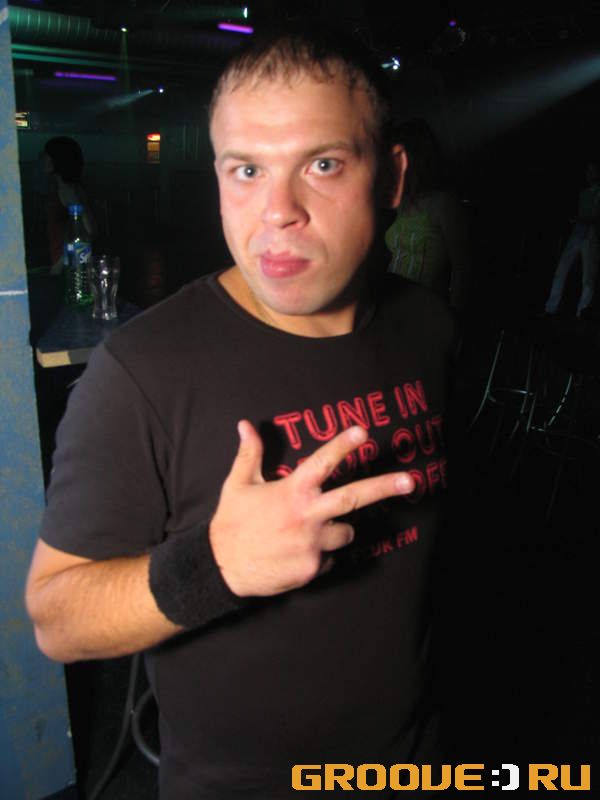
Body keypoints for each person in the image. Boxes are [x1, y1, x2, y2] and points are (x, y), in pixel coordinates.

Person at [26, 24, 457, 799]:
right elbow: (57, 617)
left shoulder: (429, 327)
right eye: (247, 170)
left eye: (323, 164)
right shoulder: (141, 373)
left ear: (392, 177)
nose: (277, 211)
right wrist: (216, 566)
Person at [384, 119, 471, 311]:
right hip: (392, 305)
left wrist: (453, 316)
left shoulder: (443, 204)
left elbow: (463, 268)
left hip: (426, 308)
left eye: (397, 157)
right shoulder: (403, 202)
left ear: (414, 159)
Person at [544, 161, 600, 318]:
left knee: (588, 276)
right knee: (561, 270)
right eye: (587, 170)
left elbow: (595, 217)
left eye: (592, 170)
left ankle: (582, 313)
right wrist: (577, 219)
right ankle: (550, 308)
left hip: (592, 234)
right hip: (578, 231)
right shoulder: (583, 192)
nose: (588, 174)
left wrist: (584, 220)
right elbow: (581, 212)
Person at [42, 136, 97, 274]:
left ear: (58, 160)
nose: (44, 160)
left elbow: (89, 230)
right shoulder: (67, 188)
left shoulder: (68, 190)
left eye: (48, 156)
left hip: (68, 266)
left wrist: (60, 263)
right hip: (66, 263)